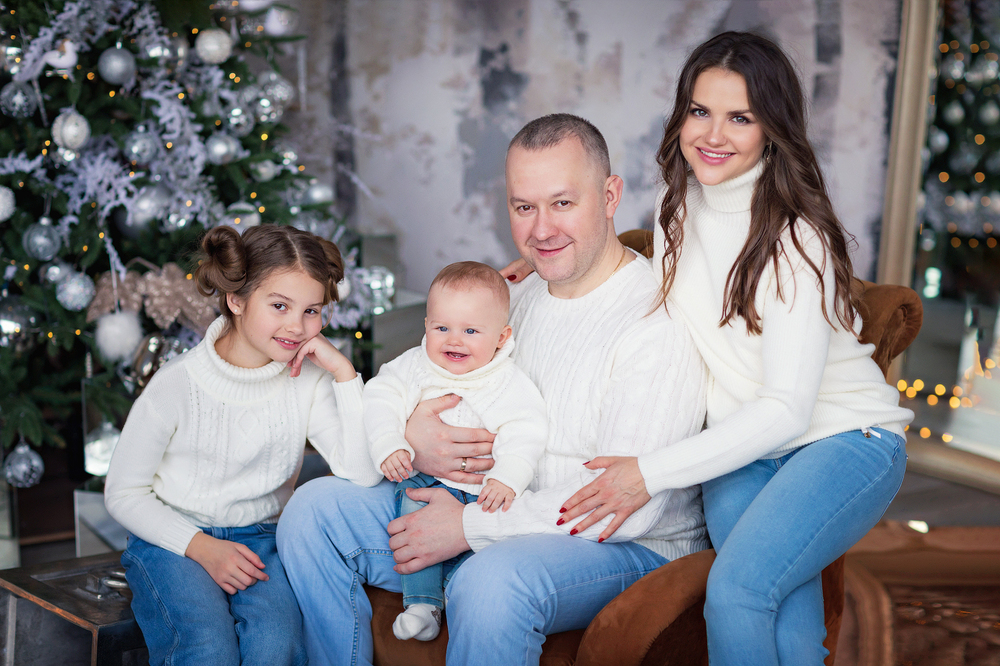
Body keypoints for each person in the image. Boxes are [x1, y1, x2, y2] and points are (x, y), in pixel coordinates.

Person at [276, 113, 709, 666]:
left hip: (625, 547)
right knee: (312, 511)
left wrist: (467, 527)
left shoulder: (655, 324)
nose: (541, 230)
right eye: (523, 207)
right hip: (485, 506)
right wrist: (415, 435)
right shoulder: (516, 298)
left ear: (609, 195)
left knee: (491, 581)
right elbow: (434, 377)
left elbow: (624, 510)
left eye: (562, 203)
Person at [540, 32, 912, 664]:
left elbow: (789, 411)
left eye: (740, 117)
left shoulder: (798, 240)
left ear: (772, 128)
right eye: (700, 111)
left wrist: (647, 474)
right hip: (744, 449)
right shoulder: (674, 204)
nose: (713, 134)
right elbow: (649, 274)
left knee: (737, 593)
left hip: (843, 439)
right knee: (789, 631)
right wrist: (549, 258)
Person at [104, 224, 382, 666]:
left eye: (312, 311)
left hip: (262, 539)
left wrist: (344, 374)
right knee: (206, 648)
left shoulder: (308, 379)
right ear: (236, 300)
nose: (297, 326)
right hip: (173, 540)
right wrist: (200, 547)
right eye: (279, 306)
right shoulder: (176, 384)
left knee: (276, 647)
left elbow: (363, 472)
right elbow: (122, 492)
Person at [366, 260, 549, 642]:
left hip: (480, 491)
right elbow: (381, 396)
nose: (453, 340)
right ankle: (421, 605)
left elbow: (526, 429)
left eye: (470, 330)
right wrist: (389, 441)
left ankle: (454, 593)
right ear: (427, 326)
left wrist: (508, 477)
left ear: (501, 337)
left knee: (480, 552)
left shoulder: (504, 380)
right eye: (442, 327)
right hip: (422, 479)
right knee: (413, 523)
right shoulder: (415, 366)